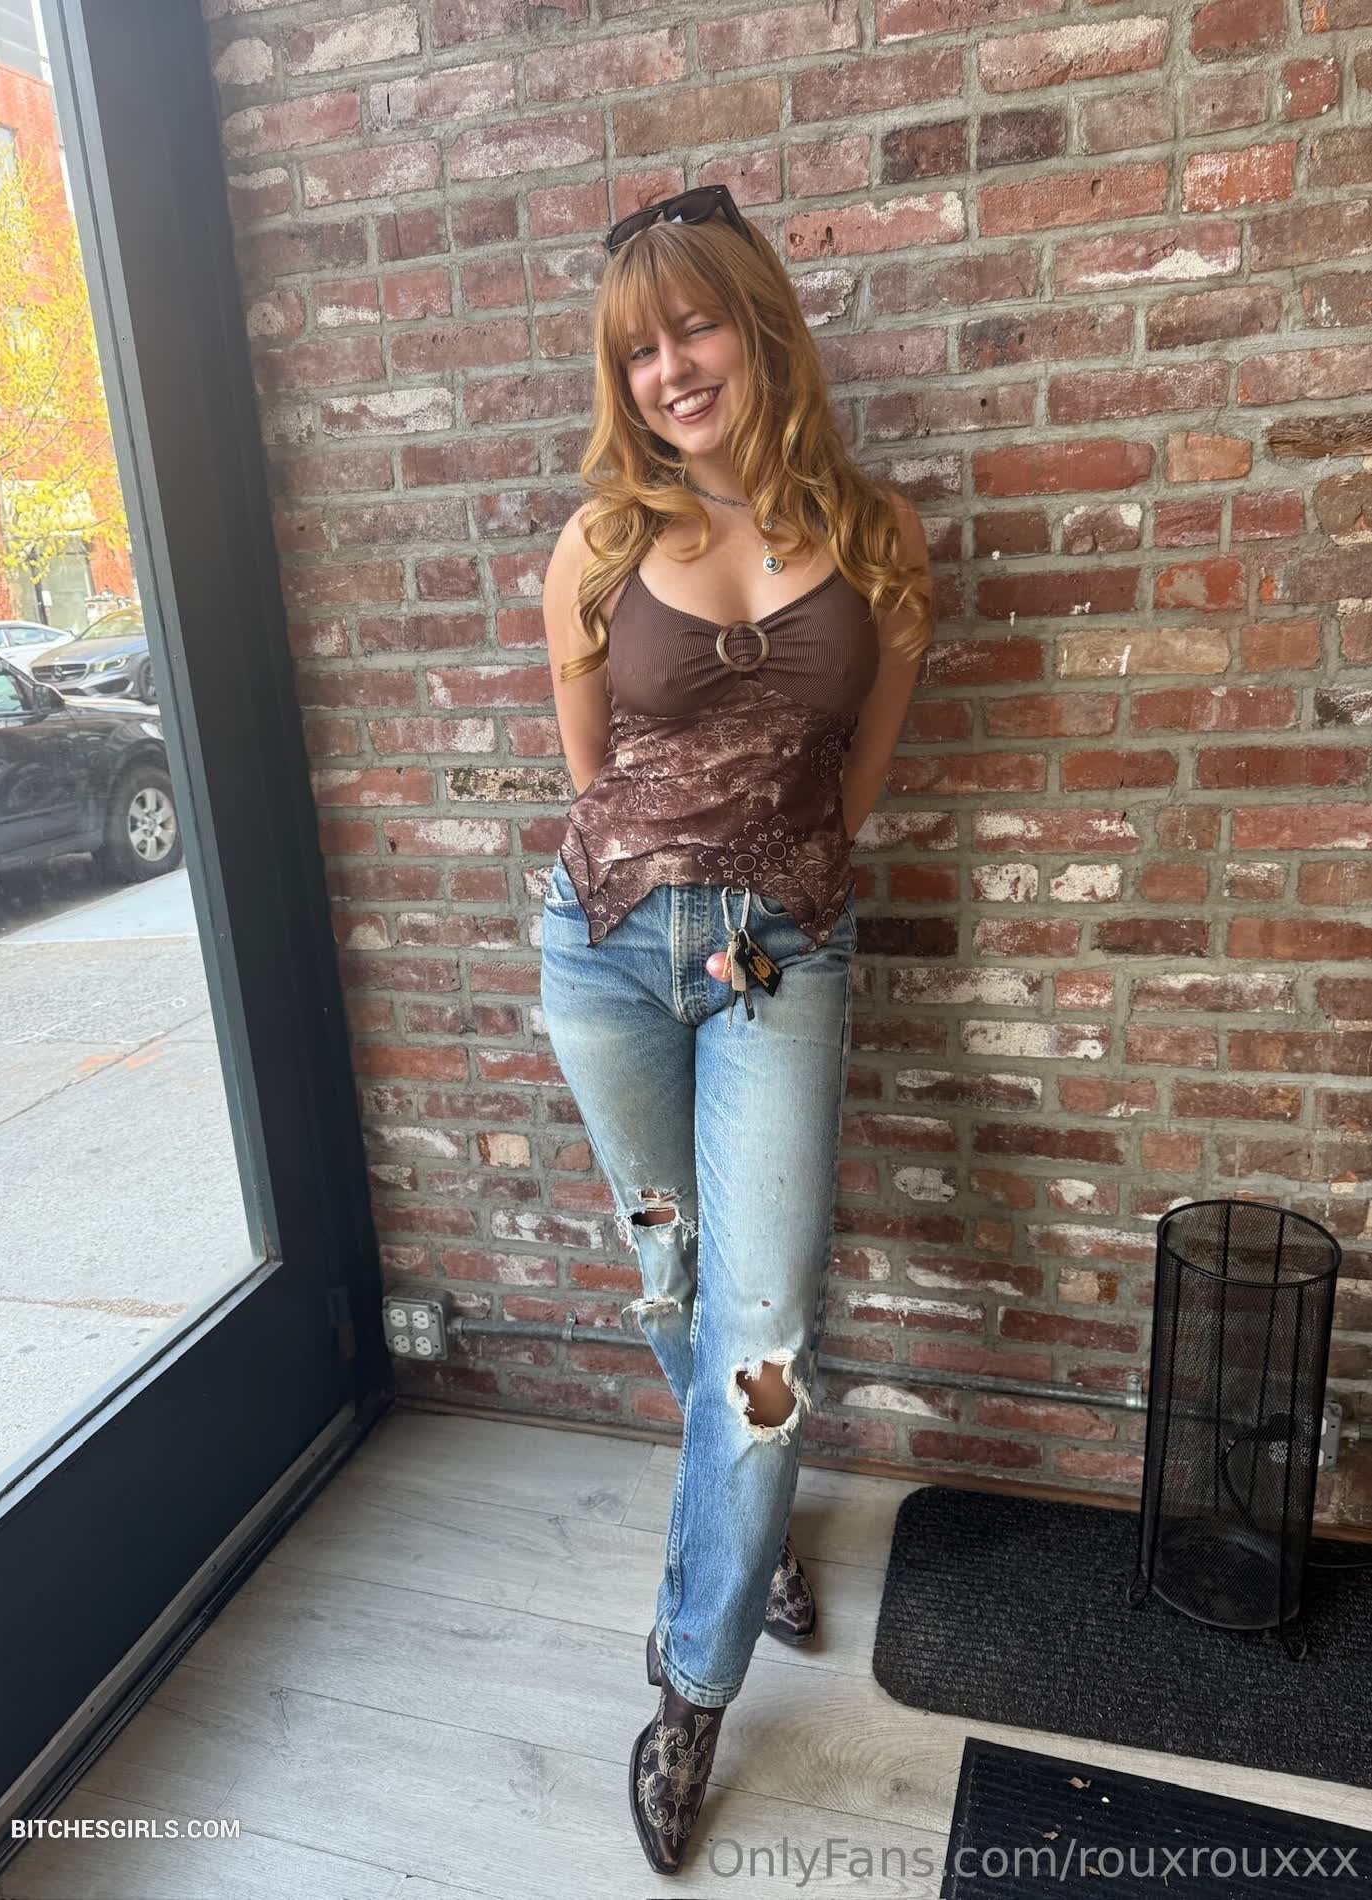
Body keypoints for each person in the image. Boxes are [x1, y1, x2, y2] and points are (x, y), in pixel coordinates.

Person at [538, 182, 934, 1877]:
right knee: (672, 1279)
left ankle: (689, 1683)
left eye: (693, 326)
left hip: (780, 964)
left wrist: (764, 905)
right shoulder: (597, 543)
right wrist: (675, 902)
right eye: (638, 351)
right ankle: (746, 1533)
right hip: (610, 966)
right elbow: (589, 777)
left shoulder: (881, 537)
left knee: (765, 1332)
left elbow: (859, 777)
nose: (671, 371)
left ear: (758, 326)